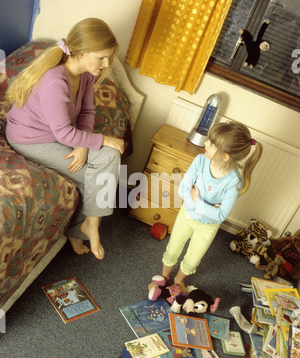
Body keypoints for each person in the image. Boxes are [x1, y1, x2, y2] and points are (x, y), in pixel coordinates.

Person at [6, 18, 124, 260]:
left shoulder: (87, 75)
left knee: (110, 158)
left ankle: (89, 224)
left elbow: (88, 112)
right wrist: (102, 139)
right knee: (98, 174)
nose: (106, 64)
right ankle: (85, 227)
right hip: (30, 138)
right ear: (80, 52)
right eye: (101, 57)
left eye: (108, 58)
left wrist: (84, 143)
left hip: (58, 133)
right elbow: (64, 134)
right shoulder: (54, 81)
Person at [150, 121, 263, 291]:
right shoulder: (200, 161)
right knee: (173, 249)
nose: (205, 144)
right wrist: (205, 207)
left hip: (208, 227)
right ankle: (164, 276)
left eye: (211, 144)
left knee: (192, 259)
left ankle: (178, 280)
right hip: (186, 215)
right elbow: (183, 189)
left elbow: (221, 215)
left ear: (225, 156)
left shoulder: (234, 181)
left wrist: (196, 201)